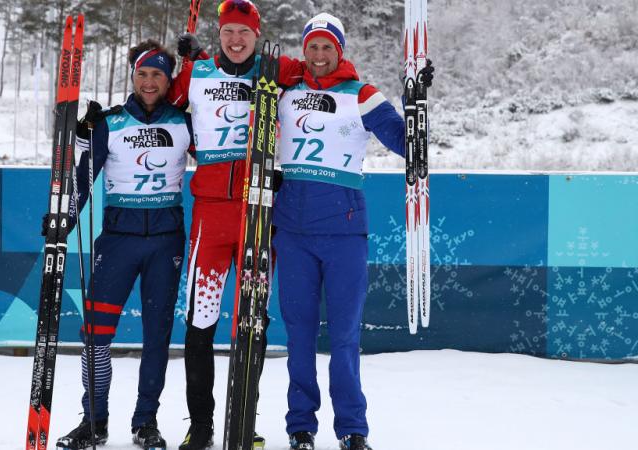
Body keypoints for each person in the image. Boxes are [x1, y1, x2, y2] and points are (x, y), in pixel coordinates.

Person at [272, 13, 434, 450]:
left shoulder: (360, 95)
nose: (320, 54)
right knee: (299, 335)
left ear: (339, 50)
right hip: (291, 231)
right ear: (303, 49)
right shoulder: (285, 91)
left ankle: (352, 429)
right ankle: (300, 425)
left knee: (344, 337)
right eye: (313, 46)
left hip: (343, 232)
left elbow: (410, 145)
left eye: (328, 47)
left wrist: (416, 103)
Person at [167, 1, 304, 449]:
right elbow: (154, 101)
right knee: (199, 320)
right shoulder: (198, 73)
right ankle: (201, 425)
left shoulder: (275, 68)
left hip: (258, 211)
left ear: (256, 34)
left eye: (243, 32)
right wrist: (179, 61)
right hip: (211, 213)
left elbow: (325, 69)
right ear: (219, 34)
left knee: (252, 320)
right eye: (228, 31)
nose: (236, 39)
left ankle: (244, 417)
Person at [53, 40, 194, 450]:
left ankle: (145, 422)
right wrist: (64, 218)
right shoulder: (111, 123)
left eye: (158, 75)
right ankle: (94, 420)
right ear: (132, 76)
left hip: (166, 241)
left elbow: (221, 159)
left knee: (156, 337)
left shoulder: (185, 123)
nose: (149, 82)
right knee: (96, 333)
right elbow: (83, 177)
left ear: (169, 81)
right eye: (142, 74)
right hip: (117, 241)